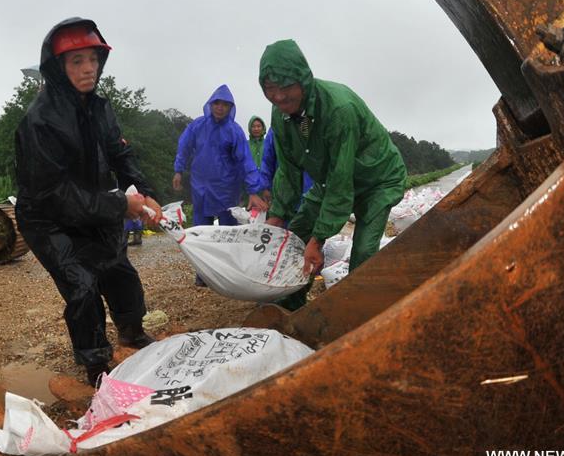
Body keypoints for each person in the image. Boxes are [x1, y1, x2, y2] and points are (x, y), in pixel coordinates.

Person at [14, 18, 163, 386]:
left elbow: (120, 153)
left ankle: (131, 331)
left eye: (93, 59)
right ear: (59, 67)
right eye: (77, 61)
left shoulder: (99, 107)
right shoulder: (39, 121)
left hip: (95, 206)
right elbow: (56, 195)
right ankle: (96, 362)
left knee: (119, 270)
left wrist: (145, 193)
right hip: (48, 218)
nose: (88, 69)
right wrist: (119, 207)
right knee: (81, 284)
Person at [259, 39, 406, 310]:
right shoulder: (281, 115)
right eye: (270, 88)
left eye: (286, 86)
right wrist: (277, 215)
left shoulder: (339, 110)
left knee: (363, 251)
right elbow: (288, 170)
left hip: (376, 179)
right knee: (297, 231)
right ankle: (290, 305)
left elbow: (341, 181)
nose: (278, 96)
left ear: (303, 80)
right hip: (331, 178)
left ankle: (356, 314)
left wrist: (320, 239)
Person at [172, 85, 268, 227]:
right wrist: (178, 171)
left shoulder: (234, 131)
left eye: (225, 104)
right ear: (210, 104)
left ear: (230, 107)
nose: (220, 107)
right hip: (201, 185)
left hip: (226, 188)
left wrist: (253, 190)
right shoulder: (198, 125)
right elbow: (184, 147)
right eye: (217, 103)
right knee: (201, 228)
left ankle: (227, 250)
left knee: (227, 228)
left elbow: (245, 161)